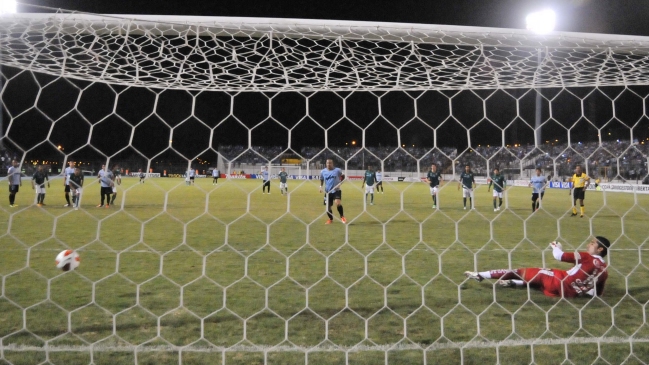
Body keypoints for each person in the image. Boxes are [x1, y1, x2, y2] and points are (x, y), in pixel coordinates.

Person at [465, 236, 610, 298]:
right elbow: (597, 294)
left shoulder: (587, 257)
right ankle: (515, 284)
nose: (588, 244)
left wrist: (555, 246)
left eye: (592, 243)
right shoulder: (604, 271)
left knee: (519, 272)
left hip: (558, 282)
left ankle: (481, 275)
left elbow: (559, 256)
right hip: (566, 294)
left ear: (600, 250)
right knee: (538, 281)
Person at [319, 158, 346, 224]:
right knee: (328, 208)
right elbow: (321, 179)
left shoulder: (337, 170)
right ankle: (330, 219)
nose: (329, 164)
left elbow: (343, 176)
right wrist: (320, 186)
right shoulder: (323, 171)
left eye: (330, 163)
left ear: (332, 163)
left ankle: (342, 217)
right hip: (327, 192)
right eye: (327, 163)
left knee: (338, 203)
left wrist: (340, 183)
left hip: (336, 190)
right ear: (326, 164)